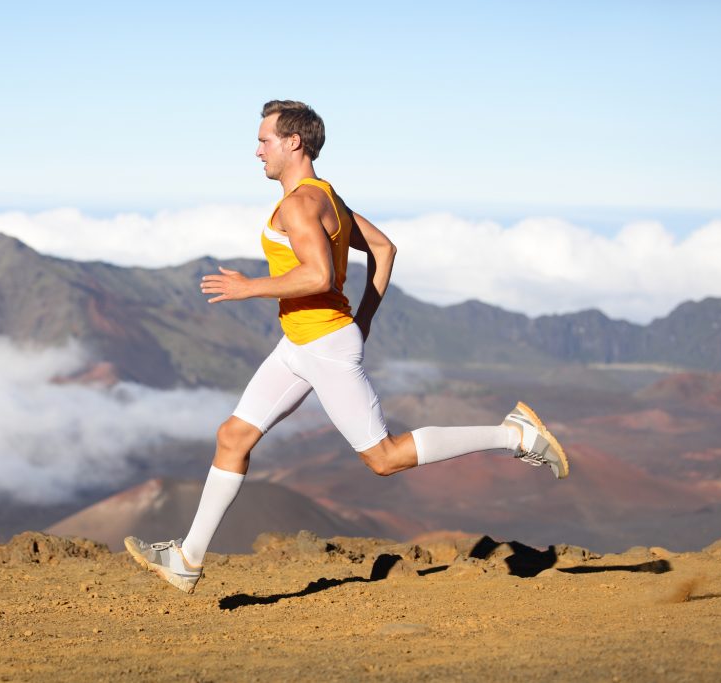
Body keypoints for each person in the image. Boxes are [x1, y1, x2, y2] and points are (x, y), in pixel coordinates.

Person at [125, 100, 568, 594]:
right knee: (233, 435)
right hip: (300, 342)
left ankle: (516, 436)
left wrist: (249, 287)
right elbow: (384, 248)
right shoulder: (324, 197)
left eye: (264, 140)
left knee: (385, 457)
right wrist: (366, 319)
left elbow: (318, 274)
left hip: (324, 346)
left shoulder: (299, 204)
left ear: (294, 142)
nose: (257, 152)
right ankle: (188, 559)